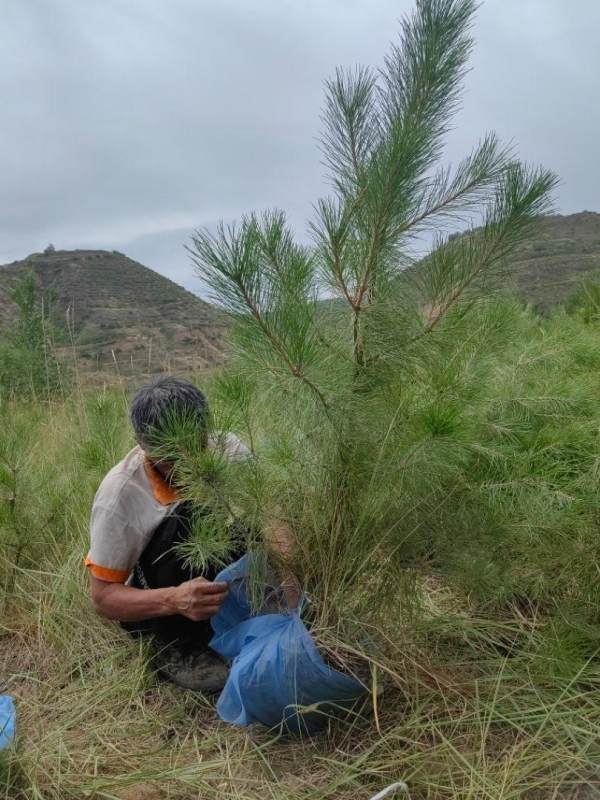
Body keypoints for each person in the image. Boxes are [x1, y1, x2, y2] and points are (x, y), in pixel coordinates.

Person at [86, 375, 295, 693]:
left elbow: (271, 518)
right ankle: (175, 643)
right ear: (144, 446)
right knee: (184, 518)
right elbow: (103, 598)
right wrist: (174, 600)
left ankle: (244, 613)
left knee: (239, 520)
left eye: (195, 445)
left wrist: (291, 588)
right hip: (162, 596)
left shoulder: (229, 449)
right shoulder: (119, 495)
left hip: (219, 584)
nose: (188, 462)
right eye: (171, 457)